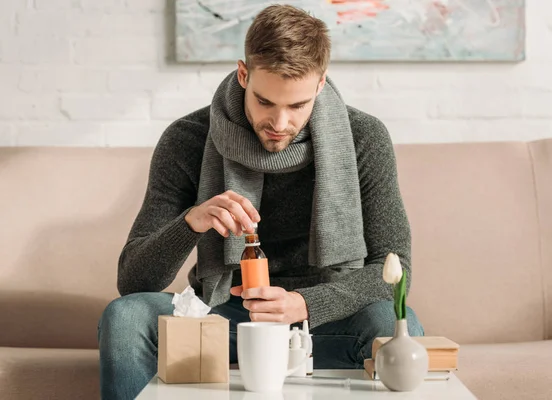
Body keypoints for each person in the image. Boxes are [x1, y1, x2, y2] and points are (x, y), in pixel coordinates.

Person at [98, 4, 424, 399]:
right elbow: (133, 281)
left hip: (325, 318)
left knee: (392, 323)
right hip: (222, 314)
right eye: (265, 102)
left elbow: (394, 269)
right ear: (243, 74)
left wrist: (306, 303)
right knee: (125, 317)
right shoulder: (186, 139)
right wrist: (192, 222)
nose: (280, 122)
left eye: (297, 105)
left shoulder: (363, 138)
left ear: (320, 85)